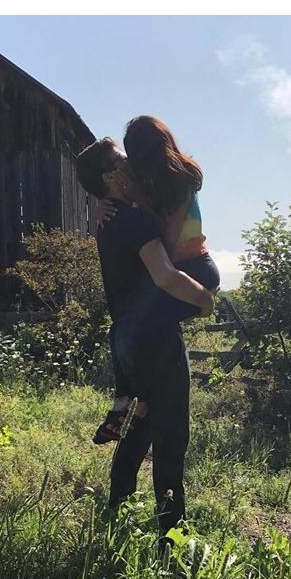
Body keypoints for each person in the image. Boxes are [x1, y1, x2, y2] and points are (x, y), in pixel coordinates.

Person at [75, 137, 213, 535]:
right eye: (122, 159)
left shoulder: (112, 218)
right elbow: (166, 276)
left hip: (129, 339)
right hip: (154, 341)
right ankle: (170, 539)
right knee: (171, 437)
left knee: (143, 422)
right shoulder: (132, 222)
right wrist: (204, 301)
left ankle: (116, 511)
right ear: (110, 176)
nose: (131, 161)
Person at [90, 116, 220, 443]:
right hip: (179, 269)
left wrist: (135, 199)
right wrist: (101, 204)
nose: (130, 165)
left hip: (196, 269)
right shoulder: (155, 182)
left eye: (133, 156)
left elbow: (168, 240)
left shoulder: (181, 180)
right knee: (127, 326)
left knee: (131, 326)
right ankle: (137, 401)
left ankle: (135, 401)